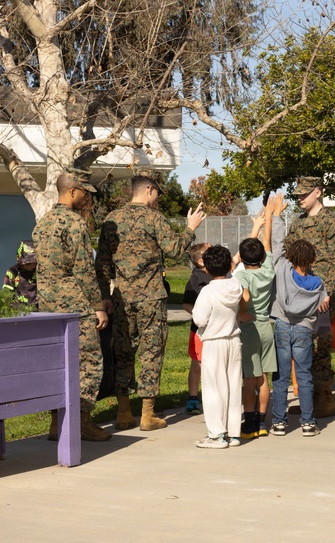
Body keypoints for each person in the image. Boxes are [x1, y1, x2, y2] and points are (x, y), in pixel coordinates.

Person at [96, 174, 206, 431]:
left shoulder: (111, 219)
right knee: (151, 353)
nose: (157, 200)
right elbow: (176, 250)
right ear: (148, 190)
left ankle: (123, 412)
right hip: (151, 298)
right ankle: (147, 414)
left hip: (121, 299)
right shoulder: (153, 218)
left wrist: (103, 297)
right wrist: (190, 227)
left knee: (123, 353)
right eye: (157, 194)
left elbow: (101, 263)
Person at [33, 170, 112, 442]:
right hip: (75, 303)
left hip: (47, 304)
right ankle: (81, 421)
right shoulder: (74, 224)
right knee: (89, 362)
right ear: (73, 191)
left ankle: (57, 422)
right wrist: (97, 305)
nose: (86, 198)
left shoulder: (43, 223)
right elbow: (83, 270)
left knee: (59, 363)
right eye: (84, 192)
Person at [285, 176, 335, 419]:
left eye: (304, 194)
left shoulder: (331, 224)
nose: (300, 198)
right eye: (298, 194)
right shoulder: (298, 224)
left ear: (318, 192)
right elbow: (287, 254)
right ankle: (309, 398)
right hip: (299, 294)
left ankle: (325, 397)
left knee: (320, 345)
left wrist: (325, 293)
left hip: (321, 296)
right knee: (302, 345)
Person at [270, 239, 330, 437]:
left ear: (290, 257)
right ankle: (308, 424)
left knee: (281, 377)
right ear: (312, 259)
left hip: (282, 326)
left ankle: (279, 422)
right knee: (304, 376)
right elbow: (324, 306)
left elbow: (277, 245)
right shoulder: (318, 284)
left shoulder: (282, 271)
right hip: (304, 330)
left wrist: (276, 215)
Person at [236, 193, 284, 439]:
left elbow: (243, 294)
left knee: (249, 379)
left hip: (250, 328)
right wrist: (268, 216)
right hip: (267, 327)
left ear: (243, 259)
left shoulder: (242, 275)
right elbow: (267, 244)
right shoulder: (268, 268)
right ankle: (264, 422)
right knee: (264, 377)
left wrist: (243, 311)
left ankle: (249, 423)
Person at [191, 245, 244, 448]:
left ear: (207, 268)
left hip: (214, 342)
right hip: (233, 339)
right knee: (232, 386)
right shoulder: (235, 285)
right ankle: (233, 433)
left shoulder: (207, 291)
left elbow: (199, 319)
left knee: (213, 389)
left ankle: (217, 435)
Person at [183, 242, 212, 415]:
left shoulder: (219, 275)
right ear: (201, 261)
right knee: (197, 365)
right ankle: (193, 397)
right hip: (199, 330)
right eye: (209, 252)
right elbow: (186, 304)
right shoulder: (196, 278)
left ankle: (211, 396)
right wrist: (200, 315)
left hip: (216, 330)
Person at [1, 240, 38, 307]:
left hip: (38, 309)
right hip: (19, 309)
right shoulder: (13, 271)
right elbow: (6, 293)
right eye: (28, 263)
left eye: (34, 263)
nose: (31, 266)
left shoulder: (40, 271)